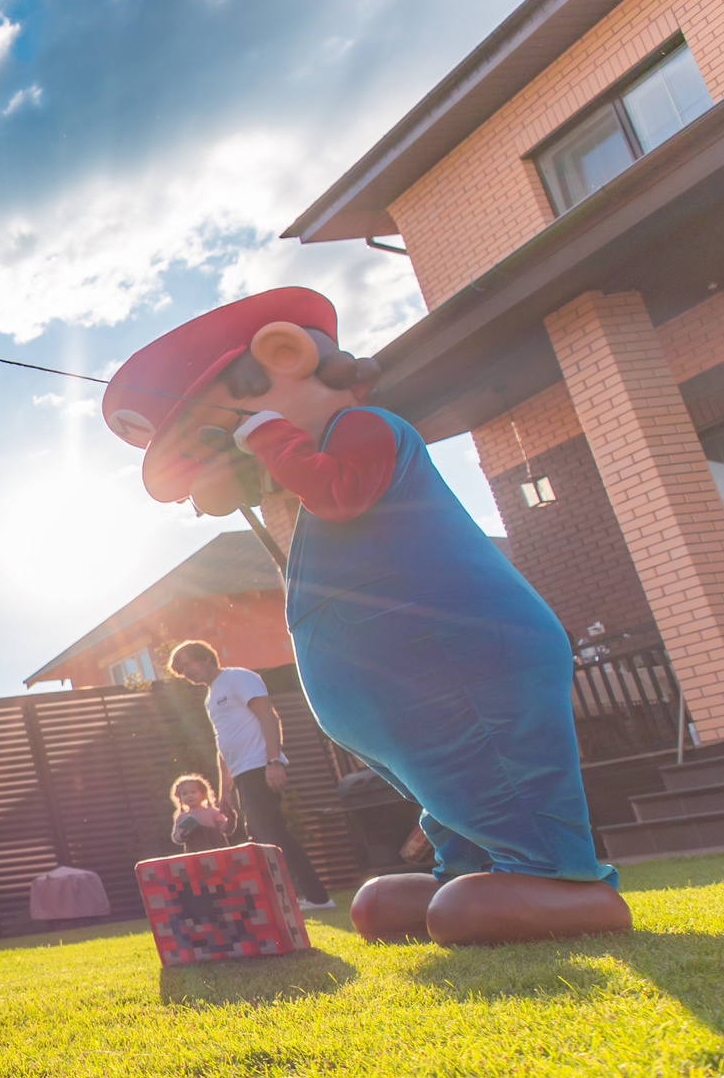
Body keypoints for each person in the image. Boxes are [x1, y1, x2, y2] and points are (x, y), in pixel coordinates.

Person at [105, 286, 628, 945]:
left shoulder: (367, 430)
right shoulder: (316, 458)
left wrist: (265, 434)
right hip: (418, 682)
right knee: (448, 785)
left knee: (497, 768)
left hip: (470, 654)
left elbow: (342, 492)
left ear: (285, 355)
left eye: (239, 418)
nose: (247, 441)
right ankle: (462, 871)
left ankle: (564, 879)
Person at [164, 641, 332, 907]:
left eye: (188, 665)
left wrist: (273, 761)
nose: (187, 672)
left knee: (264, 832)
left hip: (260, 766)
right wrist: (225, 793)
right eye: (182, 671)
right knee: (272, 832)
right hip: (243, 773)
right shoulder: (211, 698)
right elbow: (223, 747)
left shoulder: (237, 677)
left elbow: (269, 716)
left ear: (206, 657)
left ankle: (303, 897)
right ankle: (313, 897)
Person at [169, 774, 231, 853]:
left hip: (218, 852)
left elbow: (226, 829)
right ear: (179, 798)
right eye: (185, 794)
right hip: (195, 855)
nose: (189, 796)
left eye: (193, 792)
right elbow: (176, 838)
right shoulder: (182, 817)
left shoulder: (212, 812)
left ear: (203, 794)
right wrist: (184, 833)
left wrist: (230, 818)